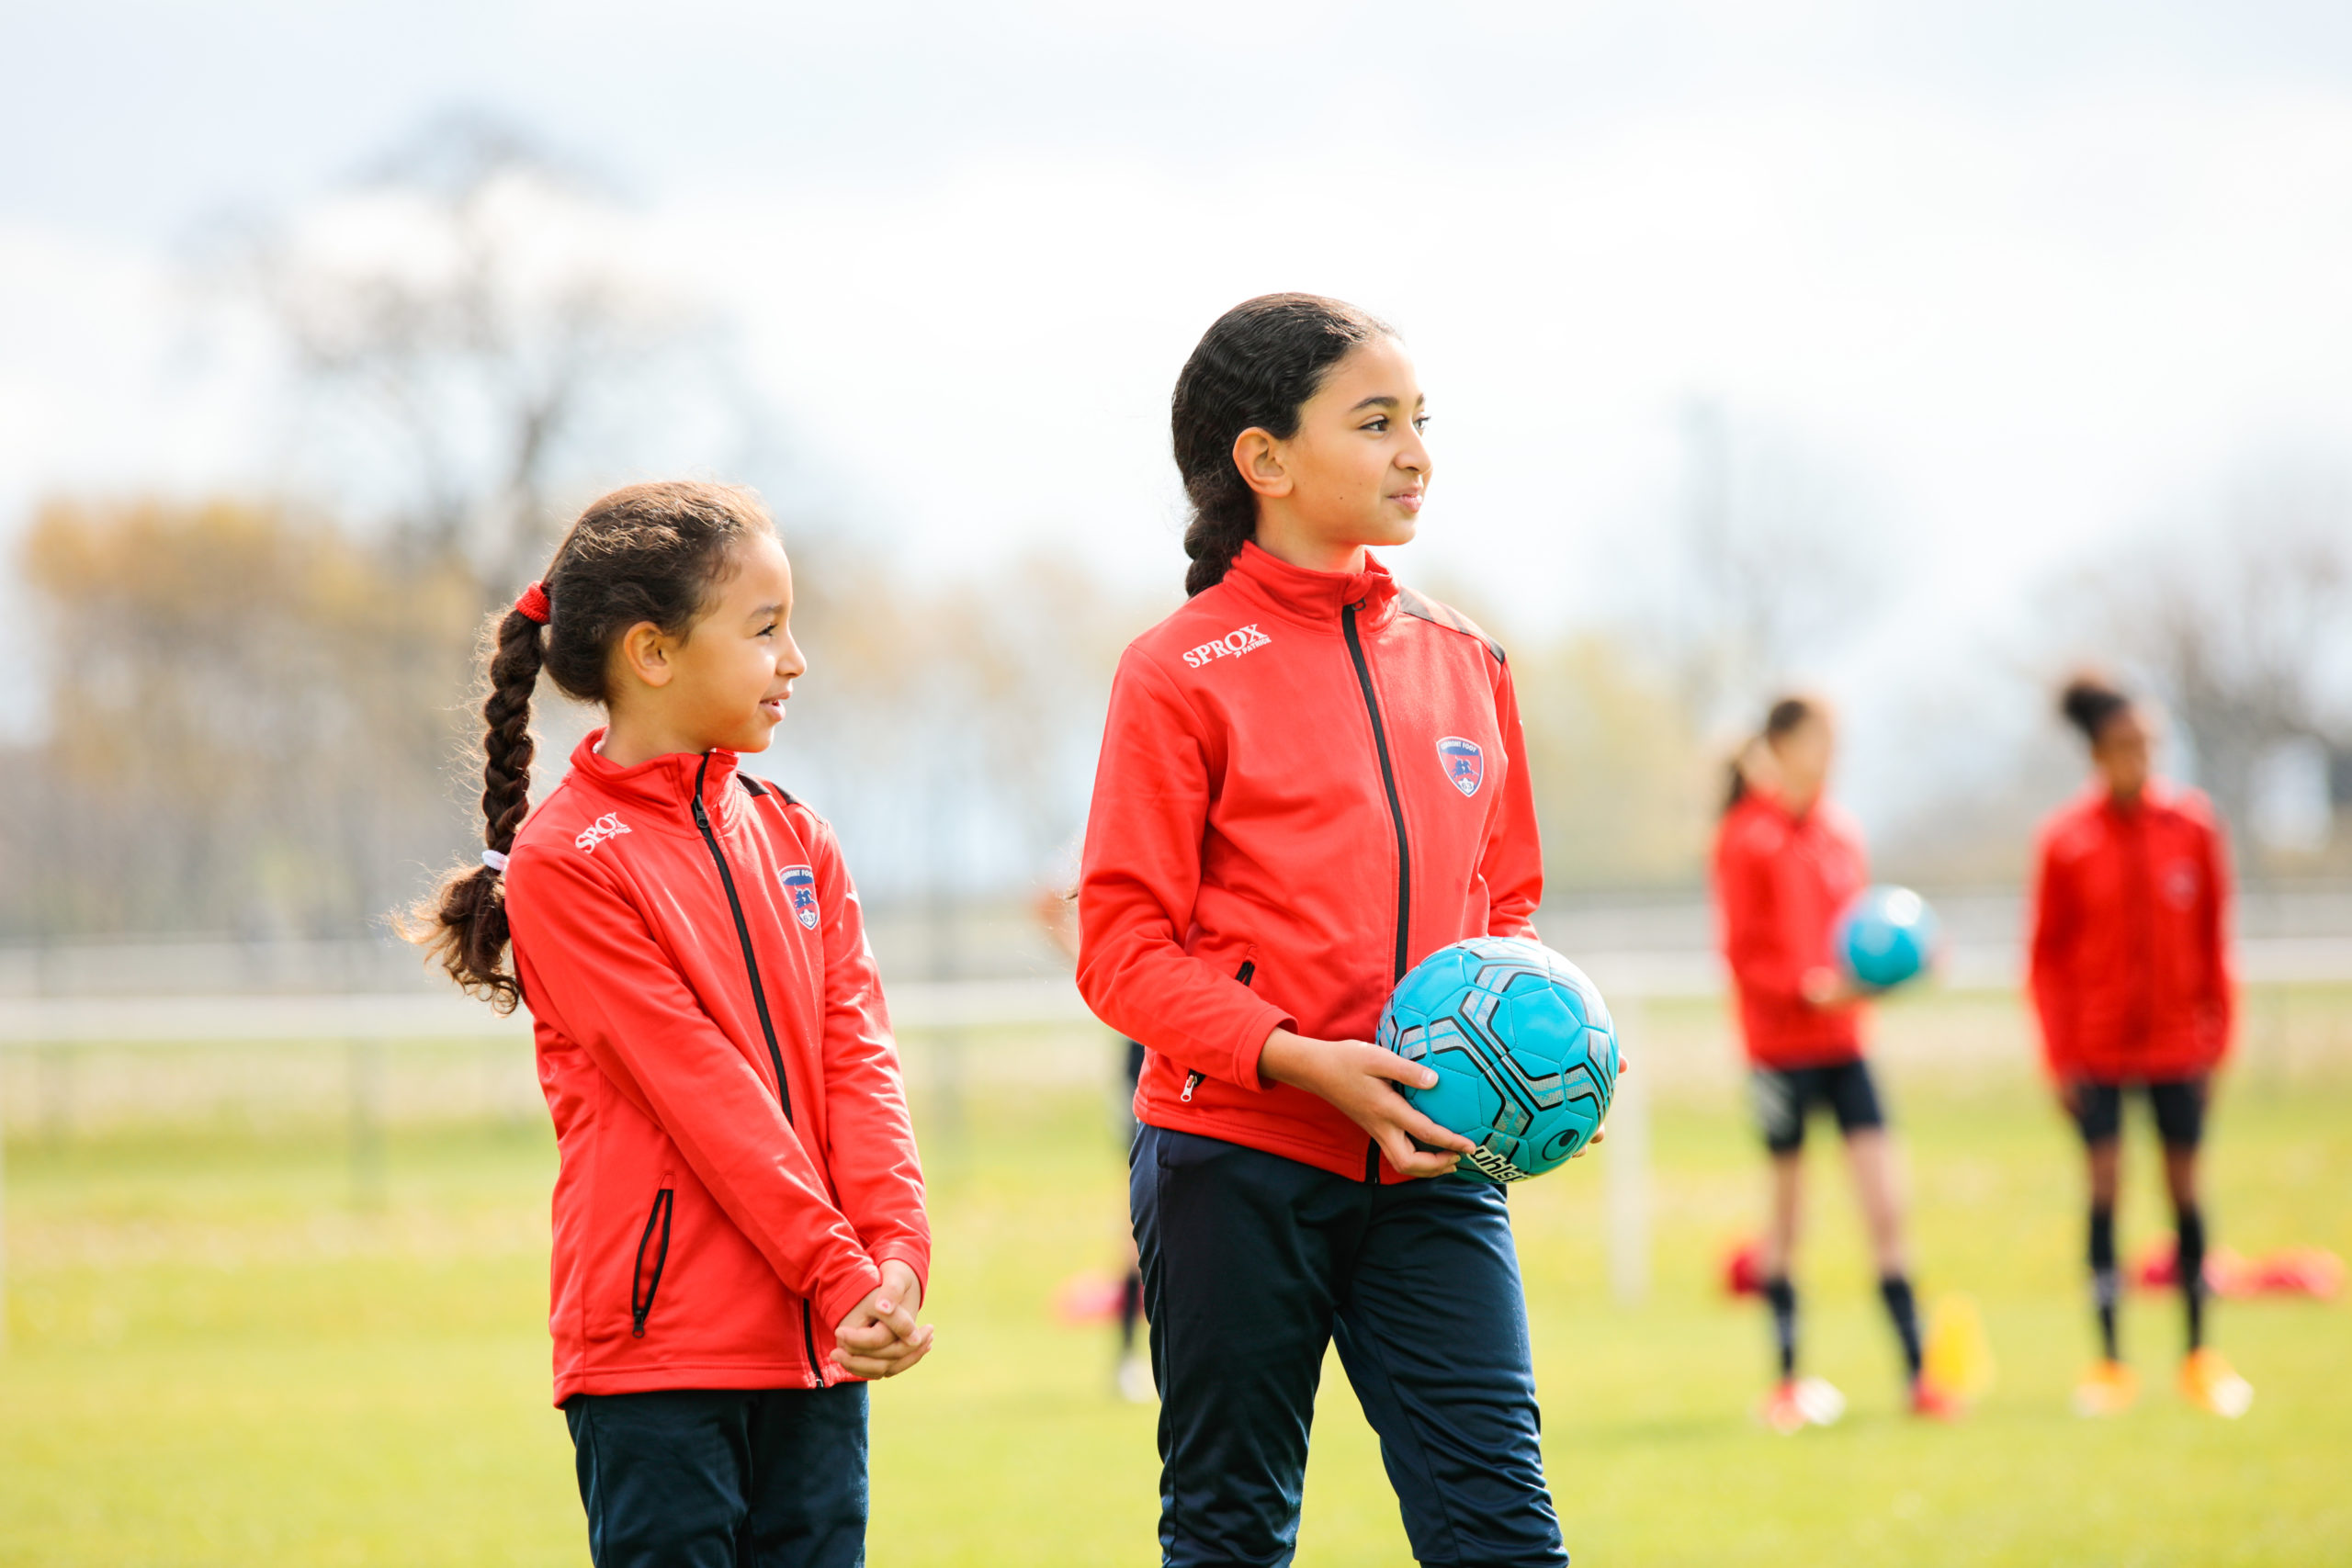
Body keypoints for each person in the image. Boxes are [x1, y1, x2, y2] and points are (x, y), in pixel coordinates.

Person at [1078, 293, 1571, 1567]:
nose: (1417, 451)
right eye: (1377, 421)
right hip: (1235, 1164)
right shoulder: (1177, 671)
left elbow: (1504, 909)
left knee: (1506, 1534)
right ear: (1267, 459)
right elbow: (1120, 949)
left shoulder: (1467, 657)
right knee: (1233, 1536)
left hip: (1430, 1170)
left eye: (1421, 420)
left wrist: (1523, 1065)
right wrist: (1299, 1057)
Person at [407, 482, 932, 1566]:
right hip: (662, 1362)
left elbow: (860, 1063)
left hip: (818, 1349)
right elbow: (702, 1096)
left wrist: (894, 1256)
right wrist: (841, 1274)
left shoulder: (799, 838)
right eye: (765, 629)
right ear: (652, 652)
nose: (796, 661)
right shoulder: (567, 863)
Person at [1713, 695, 1958, 1432]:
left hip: (1848, 1045)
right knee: (1787, 1217)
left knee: (1887, 1206)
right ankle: (1787, 1382)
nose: (1831, 755)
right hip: (1779, 1051)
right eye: (1819, 741)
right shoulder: (1743, 837)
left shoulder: (1841, 832)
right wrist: (1804, 990)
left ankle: (1920, 1378)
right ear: (1782, 745)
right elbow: (1743, 952)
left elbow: (1864, 936)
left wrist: (1901, 968)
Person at [2031, 674, 2251, 1418]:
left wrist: (2221, 1035)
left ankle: (2198, 1355)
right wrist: (2058, 1054)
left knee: (2185, 1190)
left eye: (2149, 747)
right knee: (2104, 1190)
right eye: (2126, 747)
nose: (2141, 759)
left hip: (2177, 1047)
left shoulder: (2192, 826)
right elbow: (2046, 958)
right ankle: (2109, 1363)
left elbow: (2216, 938)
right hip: (2097, 1050)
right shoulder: (2067, 839)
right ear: (2098, 753)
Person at [1033, 875, 1154, 1403]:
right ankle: (1128, 1361)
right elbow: (1044, 906)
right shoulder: (1128, 957)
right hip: (1144, 1100)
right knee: (1136, 1234)